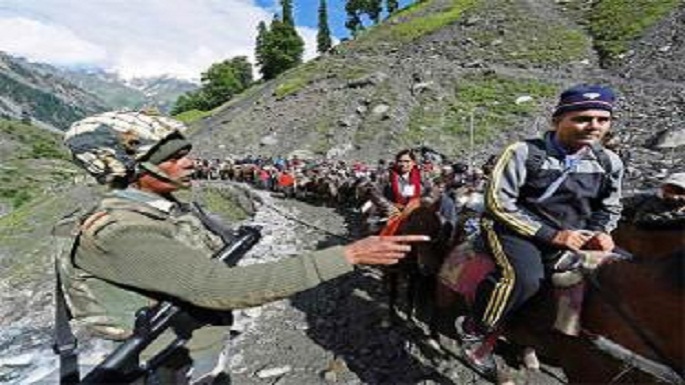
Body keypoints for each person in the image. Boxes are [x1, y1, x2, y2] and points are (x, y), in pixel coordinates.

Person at [57, 110, 429, 384]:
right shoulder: (122, 231)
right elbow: (221, 287)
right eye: (173, 158)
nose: (190, 163)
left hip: (196, 344)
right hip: (169, 363)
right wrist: (349, 254)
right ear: (133, 170)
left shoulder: (161, 211)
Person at [457, 85, 625, 375]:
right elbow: (498, 203)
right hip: (513, 230)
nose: (593, 126)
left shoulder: (609, 161)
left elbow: (610, 206)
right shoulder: (523, 153)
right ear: (557, 120)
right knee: (524, 278)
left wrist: (601, 231)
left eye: (602, 119)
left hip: (574, 234)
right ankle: (476, 327)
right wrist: (553, 236)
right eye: (582, 118)